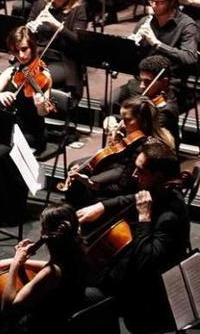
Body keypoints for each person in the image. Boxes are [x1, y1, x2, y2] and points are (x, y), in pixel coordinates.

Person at [76, 140, 190, 334]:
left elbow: (147, 261)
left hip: (145, 296)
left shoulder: (170, 217)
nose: (134, 175)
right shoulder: (162, 191)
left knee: (76, 296)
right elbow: (132, 198)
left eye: (140, 171)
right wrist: (102, 206)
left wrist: (144, 219)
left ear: (159, 176)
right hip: (130, 277)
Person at [0, 26, 53, 227]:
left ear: (33, 47)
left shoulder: (44, 74)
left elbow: (43, 113)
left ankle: (4, 213)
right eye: (16, 50)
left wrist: (40, 104)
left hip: (30, 132)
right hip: (8, 128)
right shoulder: (11, 72)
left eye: (25, 49)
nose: (21, 55)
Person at [0, 204, 87, 334]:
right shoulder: (76, 252)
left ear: (46, 234)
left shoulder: (50, 274)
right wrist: (16, 261)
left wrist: (15, 265)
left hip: (44, 326)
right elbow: (51, 265)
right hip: (65, 311)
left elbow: (8, 309)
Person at [65, 95, 174, 209]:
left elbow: (125, 186)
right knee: (75, 165)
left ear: (143, 121)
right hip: (120, 166)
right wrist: (113, 130)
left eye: (127, 120)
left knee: (82, 184)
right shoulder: (134, 133)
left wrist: (94, 185)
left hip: (126, 185)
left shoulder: (144, 148)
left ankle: (75, 213)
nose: (122, 123)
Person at [116, 0, 198, 104]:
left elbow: (190, 58)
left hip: (167, 85)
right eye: (150, 0)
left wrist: (157, 44)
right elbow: (131, 57)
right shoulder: (145, 21)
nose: (153, 5)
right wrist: (129, 45)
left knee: (137, 108)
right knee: (107, 102)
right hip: (142, 81)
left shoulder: (187, 25)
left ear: (172, 0)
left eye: (159, 2)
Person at [25, 0, 88, 98]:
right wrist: (29, 29)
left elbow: (78, 41)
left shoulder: (78, 10)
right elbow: (25, 34)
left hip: (63, 61)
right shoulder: (40, 4)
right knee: (13, 77)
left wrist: (56, 25)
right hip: (38, 57)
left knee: (33, 80)